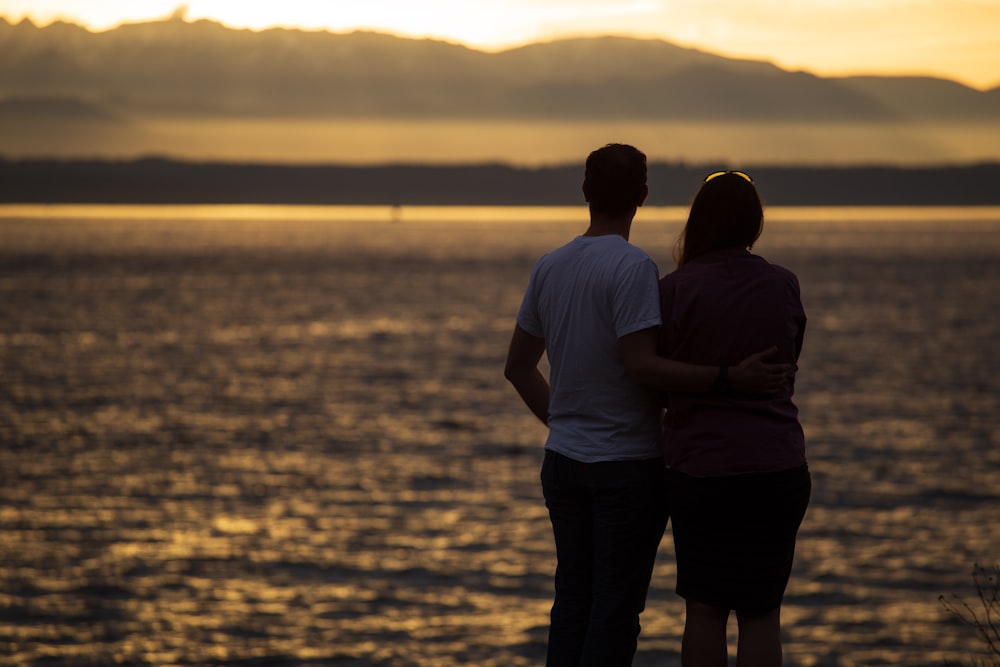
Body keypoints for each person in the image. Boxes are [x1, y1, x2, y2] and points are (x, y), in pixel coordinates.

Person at [503, 145, 793, 667]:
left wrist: (565, 423)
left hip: (564, 461)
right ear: (642, 195)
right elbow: (642, 367)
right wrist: (730, 378)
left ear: (585, 192)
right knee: (615, 608)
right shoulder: (634, 266)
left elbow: (518, 368)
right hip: (626, 465)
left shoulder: (550, 265)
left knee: (572, 600)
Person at [657, 170, 811, 667]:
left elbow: (657, 382)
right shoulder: (784, 285)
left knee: (704, 610)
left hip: (702, 469)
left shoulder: (673, 290)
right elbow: (789, 367)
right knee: (762, 612)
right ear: (754, 224)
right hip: (776, 467)